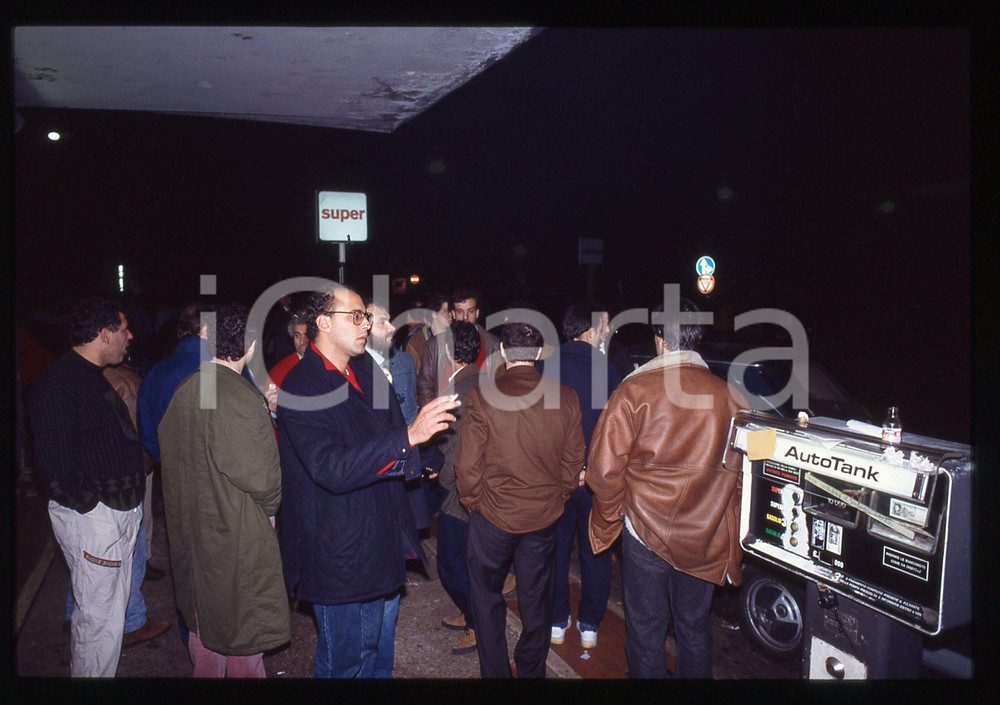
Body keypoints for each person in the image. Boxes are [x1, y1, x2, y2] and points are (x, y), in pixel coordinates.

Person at [277, 283, 460, 678]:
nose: (366, 325)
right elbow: (331, 468)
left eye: (367, 317)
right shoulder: (302, 385)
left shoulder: (364, 369)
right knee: (345, 662)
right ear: (324, 323)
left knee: (375, 653)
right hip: (338, 549)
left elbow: (389, 432)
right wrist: (409, 437)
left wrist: (426, 456)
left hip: (380, 536)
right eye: (357, 316)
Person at [587, 298, 748, 679]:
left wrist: (610, 519)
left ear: (659, 336)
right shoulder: (731, 397)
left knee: (646, 629)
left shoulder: (633, 391)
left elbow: (604, 472)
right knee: (694, 627)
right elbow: (741, 477)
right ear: (696, 337)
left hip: (644, 532)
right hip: (704, 535)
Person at [158, 303, 290, 677]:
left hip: (194, 529)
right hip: (234, 531)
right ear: (251, 345)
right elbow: (264, 482)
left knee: (204, 632)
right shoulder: (239, 397)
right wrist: (271, 507)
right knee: (243, 635)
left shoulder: (187, 389)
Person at [455, 321, 585, 679]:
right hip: (543, 516)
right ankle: (531, 671)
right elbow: (574, 461)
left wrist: (473, 503)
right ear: (539, 353)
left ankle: (496, 673)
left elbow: (467, 464)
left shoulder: (483, 396)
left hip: (493, 516)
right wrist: (559, 495)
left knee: (485, 597)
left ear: (501, 352)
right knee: (536, 599)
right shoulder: (566, 397)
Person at [28, 297, 146, 676]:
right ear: (103, 334)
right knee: (97, 623)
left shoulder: (92, 374)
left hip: (116, 513)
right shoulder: (58, 384)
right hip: (96, 520)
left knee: (110, 616)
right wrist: (93, 508)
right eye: (123, 329)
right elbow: (53, 466)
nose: (130, 336)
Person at [62, 361, 170, 649]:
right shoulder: (120, 380)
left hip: (92, 477)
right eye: (124, 336)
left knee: (86, 554)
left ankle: (73, 611)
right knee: (129, 549)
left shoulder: (79, 376)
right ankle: (133, 621)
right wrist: (147, 460)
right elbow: (135, 431)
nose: (129, 340)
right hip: (122, 477)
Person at [539, 303, 621, 649]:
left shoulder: (546, 367)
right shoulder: (608, 370)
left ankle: (557, 621)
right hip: (595, 479)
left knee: (554, 550)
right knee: (596, 549)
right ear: (590, 331)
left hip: (555, 478)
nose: (608, 332)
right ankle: (589, 624)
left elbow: (541, 427)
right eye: (604, 326)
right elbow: (615, 432)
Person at [136, 300, 214, 647]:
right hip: (219, 480)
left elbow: (147, 430)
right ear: (207, 330)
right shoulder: (223, 369)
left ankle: (192, 634)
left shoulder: (157, 372)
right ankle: (222, 636)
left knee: (184, 558)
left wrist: (165, 460)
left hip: (176, 479)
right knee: (222, 560)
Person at [432, 321, 482, 656]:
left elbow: (452, 449)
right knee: (467, 561)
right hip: (481, 486)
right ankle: (470, 614)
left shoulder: (456, 391)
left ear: (449, 351)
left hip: (460, 491)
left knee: (450, 564)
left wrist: (444, 483)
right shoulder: (484, 382)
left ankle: (478, 624)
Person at [416, 287, 499, 407]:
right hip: (446, 411)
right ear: (453, 314)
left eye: (470, 311)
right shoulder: (434, 345)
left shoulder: (493, 344)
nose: (465, 317)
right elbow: (425, 385)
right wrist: (435, 413)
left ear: (477, 313)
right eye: (460, 312)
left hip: (483, 412)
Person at [266, 308, 311, 391]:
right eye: (297, 336)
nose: (302, 342)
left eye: (307, 335)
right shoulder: (278, 372)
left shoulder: (330, 362)